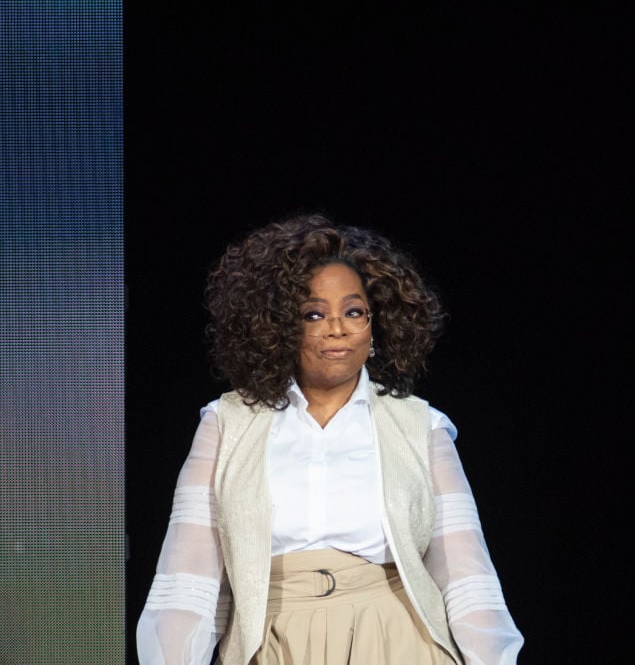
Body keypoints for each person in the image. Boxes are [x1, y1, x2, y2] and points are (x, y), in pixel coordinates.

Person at [136, 213, 524, 665]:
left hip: (398, 639)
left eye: (354, 312)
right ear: (279, 326)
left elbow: (463, 571)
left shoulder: (420, 426)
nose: (337, 328)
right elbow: (190, 573)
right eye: (314, 314)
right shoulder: (228, 423)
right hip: (273, 641)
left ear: (375, 325)